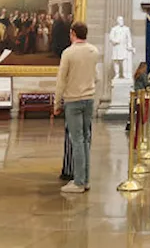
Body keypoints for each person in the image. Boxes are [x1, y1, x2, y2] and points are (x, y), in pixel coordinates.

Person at [55, 20, 99, 194]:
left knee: (77, 141)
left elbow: (61, 80)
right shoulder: (94, 51)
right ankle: (86, 179)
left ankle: (79, 181)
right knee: (86, 139)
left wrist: (56, 103)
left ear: (73, 33)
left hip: (73, 99)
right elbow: (97, 76)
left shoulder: (68, 53)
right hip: (89, 99)